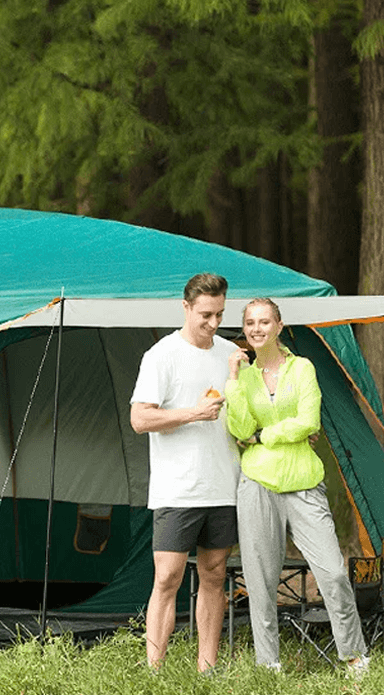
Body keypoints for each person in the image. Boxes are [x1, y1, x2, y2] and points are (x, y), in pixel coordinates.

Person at [225, 297, 369, 676]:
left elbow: (308, 420)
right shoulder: (245, 376)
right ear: (245, 329)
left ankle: (355, 657)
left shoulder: (302, 368)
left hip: (304, 482)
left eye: (264, 322)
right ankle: (267, 663)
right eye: (250, 323)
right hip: (257, 484)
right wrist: (233, 381)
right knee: (259, 580)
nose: (257, 329)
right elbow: (239, 429)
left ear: (278, 325)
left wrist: (265, 435)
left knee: (334, 573)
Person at [131, 273, 240, 672]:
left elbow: (243, 415)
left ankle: (206, 667)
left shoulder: (231, 354)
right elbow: (140, 419)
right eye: (206, 315)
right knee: (167, 579)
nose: (214, 323)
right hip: (177, 490)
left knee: (214, 574)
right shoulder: (161, 355)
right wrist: (195, 412)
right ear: (186, 307)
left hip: (224, 486)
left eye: (220, 314)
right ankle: (155, 670)